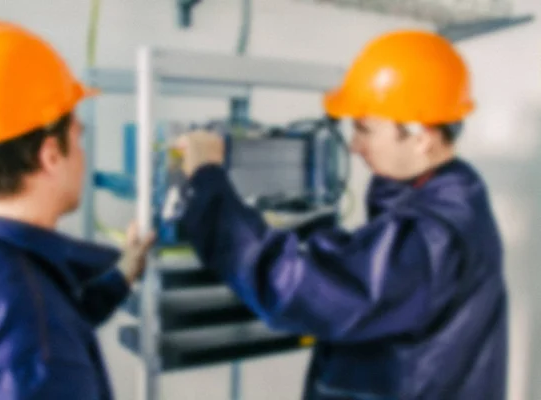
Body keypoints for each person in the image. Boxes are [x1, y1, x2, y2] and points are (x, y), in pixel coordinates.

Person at [175, 30, 507, 400]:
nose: (353, 145)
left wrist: (208, 185)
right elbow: (371, 267)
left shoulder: (430, 237)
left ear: (422, 137)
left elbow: (296, 290)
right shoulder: (446, 198)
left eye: (365, 129)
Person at [0, 21, 154, 399]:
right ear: (51, 154)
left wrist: (121, 276)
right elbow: (37, 331)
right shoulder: (38, 358)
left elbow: (54, 313)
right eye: (78, 136)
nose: (84, 154)